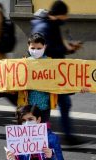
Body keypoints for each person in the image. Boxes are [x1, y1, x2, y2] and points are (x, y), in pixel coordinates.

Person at [31, 0, 82, 145]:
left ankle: (66, 135)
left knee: (63, 104)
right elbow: (44, 50)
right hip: (47, 74)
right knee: (44, 107)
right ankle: (40, 138)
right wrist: (65, 49)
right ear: (59, 14)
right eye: (65, 15)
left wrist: (69, 49)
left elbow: (56, 47)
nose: (66, 18)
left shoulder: (51, 25)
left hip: (55, 73)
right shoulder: (45, 27)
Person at [22, 33, 53, 122]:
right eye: (33, 48)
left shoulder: (51, 63)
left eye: (39, 48)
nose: (35, 51)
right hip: (28, 108)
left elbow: (62, 82)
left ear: (44, 47)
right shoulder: (23, 63)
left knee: (43, 132)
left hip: (45, 107)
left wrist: (78, 88)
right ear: (28, 46)